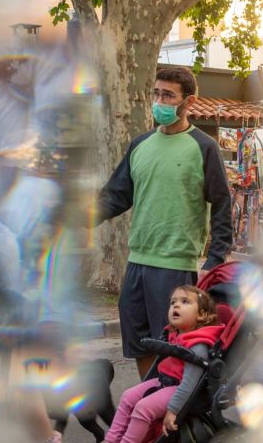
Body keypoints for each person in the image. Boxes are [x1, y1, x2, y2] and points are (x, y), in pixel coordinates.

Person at [96, 66, 232, 379]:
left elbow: (222, 202)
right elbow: (116, 196)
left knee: (171, 344)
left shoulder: (203, 147)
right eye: (157, 93)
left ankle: (170, 408)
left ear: (189, 101)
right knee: (139, 342)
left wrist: (215, 257)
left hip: (175, 263)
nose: (160, 101)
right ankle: (152, 396)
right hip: (136, 260)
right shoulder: (140, 145)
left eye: (168, 95)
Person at [105, 285, 224, 443]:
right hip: (163, 381)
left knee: (143, 408)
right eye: (173, 302)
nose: (176, 305)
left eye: (185, 301)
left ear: (201, 315)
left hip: (178, 388)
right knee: (128, 396)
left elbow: (189, 384)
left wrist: (173, 411)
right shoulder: (173, 334)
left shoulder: (198, 345)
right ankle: (110, 440)